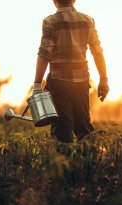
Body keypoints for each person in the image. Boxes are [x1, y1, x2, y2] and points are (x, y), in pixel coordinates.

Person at [32, 0, 109, 143]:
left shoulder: (50, 22)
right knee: (84, 128)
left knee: (62, 130)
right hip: (82, 82)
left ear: (54, 1)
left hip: (59, 82)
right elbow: (97, 52)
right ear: (74, 0)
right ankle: (88, 163)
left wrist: (37, 86)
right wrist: (103, 80)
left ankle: (64, 163)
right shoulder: (88, 21)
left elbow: (44, 53)